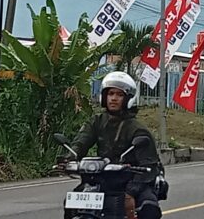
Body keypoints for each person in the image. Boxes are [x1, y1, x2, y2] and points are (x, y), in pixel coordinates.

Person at [68, 71, 162, 219]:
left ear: (128, 99)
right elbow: (81, 141)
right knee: (71, 204)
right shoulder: (97, 121)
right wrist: (69, 157)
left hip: (131, 180)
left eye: (119, 95)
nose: (113, 98)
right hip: (102, 178)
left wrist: (131, 191)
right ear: (104, 96)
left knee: (148, 209)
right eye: (110, 93)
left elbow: (150, 166)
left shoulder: (138, 129)